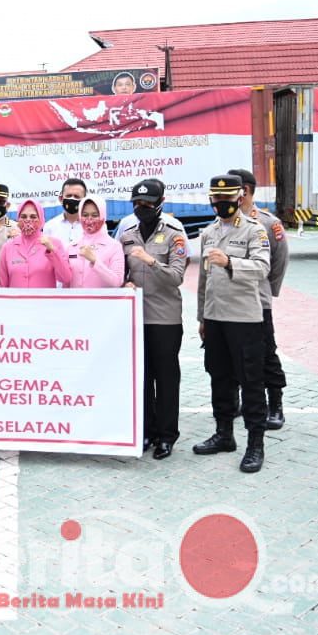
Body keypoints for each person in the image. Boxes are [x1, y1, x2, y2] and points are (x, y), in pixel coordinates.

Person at [194, 175, 271, 473]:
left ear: (239, 198)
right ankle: (224, 433)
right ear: (211, 200)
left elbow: (263, 268)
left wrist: (230, 262)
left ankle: (255, 443)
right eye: (217, 199)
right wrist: (202, 316)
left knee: (251, 381)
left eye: (227, 199)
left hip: (244, 318)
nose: (222, 204)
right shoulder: (208, 233)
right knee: (219, 377)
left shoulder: (254, 230)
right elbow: (203, 280)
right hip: (215, 318)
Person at [119, 180, 187, 460]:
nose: (141, 208)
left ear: (161, 202)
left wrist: (150, 261)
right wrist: (124, 284)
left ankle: (167, 436)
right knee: (142, 378)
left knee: (167, 379)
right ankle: (146, 431)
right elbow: (120, 273)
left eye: (147, 203)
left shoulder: (175, 234)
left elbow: (177, 277)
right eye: (137, 203)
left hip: (165, 318)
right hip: (136, 319)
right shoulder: (126, 235)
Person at [230, 168, 290, 430]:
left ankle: (275, 404)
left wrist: (267, 291)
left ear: (245, 190)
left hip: (257, 300)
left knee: (266, 353)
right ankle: (246, 401)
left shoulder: (267, 222)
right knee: (236, 355)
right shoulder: (223, 219)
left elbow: (279, 261)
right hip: (229, 301)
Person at [0, 199, 72, 288]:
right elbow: (2, 286)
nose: (28, 220)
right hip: (16, 301)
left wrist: (52, 251)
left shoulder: (54, 244)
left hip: (43, 301)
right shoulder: (8, 247)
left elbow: (66, 278)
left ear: (41, 219)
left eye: (33, 217)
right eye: (24, 216)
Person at [69, 197, 124, 288]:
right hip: (75, 301)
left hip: (102, 301)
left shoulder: (114, 246)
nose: (89, 219)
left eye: (94, 215)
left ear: (103, 216)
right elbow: (66, 283)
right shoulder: (72, 246)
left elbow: (117, 281)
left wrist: (95, 261)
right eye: (85, 215)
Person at [43, 178, 87, 253]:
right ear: (61, 198)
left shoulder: (90, 225)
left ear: (84, 200)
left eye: (76, 196)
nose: (72, 199)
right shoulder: (50, 226)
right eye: (69, 195)